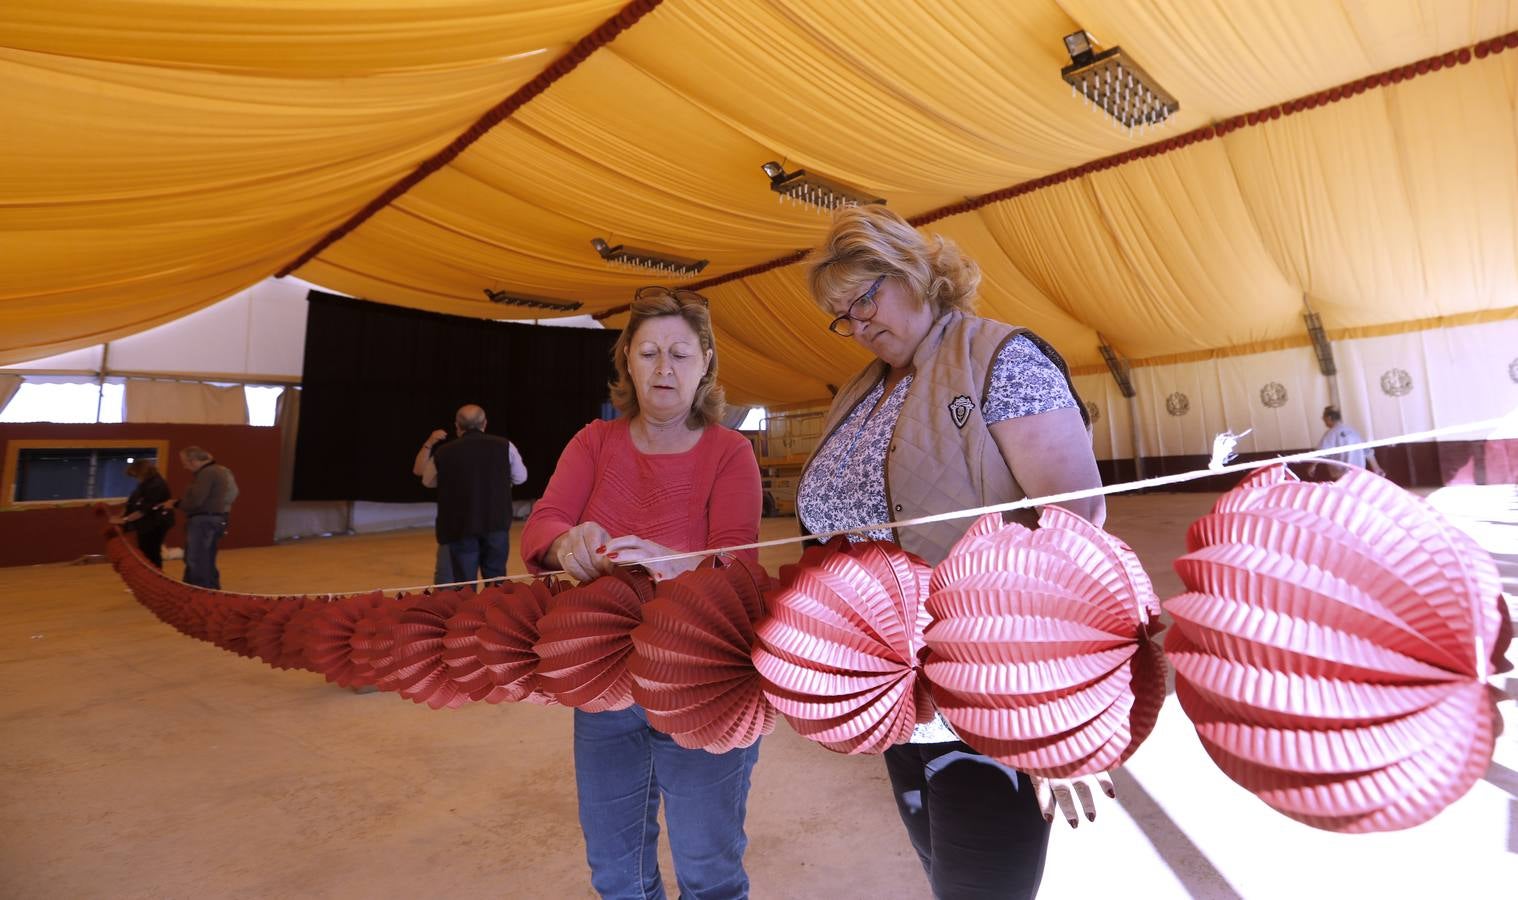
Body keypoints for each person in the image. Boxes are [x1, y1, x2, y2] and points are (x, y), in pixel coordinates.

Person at [796, 205, 1109, 899]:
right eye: (841, 314)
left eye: (865, 296)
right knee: (947, 875)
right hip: (901, 694)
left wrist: (1060, 708)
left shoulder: (1000, 356)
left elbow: (1076, 528)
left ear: (911, 271)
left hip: (994, 687)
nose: (857, 323)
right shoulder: (861, 391)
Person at [522, 287, 763, 900]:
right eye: (649, 352)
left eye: (681, 354)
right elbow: (544, 522)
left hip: (702, 684)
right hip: (606, 683)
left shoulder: (730, 451)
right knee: (615, 869)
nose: (664, 368)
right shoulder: (593, 443)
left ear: (706, 362)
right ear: (626, 359)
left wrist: (674, 563)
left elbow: (736, 560)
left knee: (709, 869)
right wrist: (564, 543)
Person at [419, 405, 524, 586]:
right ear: (484, 423)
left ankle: (468, 613)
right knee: (497, 580)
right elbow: (521, 478)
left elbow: (427, 481)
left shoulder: (444, 452)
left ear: (457, 426)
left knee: (464, 584)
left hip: (460, 526)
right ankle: (497, 613)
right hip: (495, 522)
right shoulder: (505, 446)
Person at [162, 446, 238, 589]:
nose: (184, 466)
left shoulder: (207, 473)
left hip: (204, 521)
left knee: (196, 559)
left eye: (184, 462)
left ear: (194, 461)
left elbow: (196, 501)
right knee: (206, 558)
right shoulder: (222, 470)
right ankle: (209, 591)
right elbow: (233, 494)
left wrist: (177, 503)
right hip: (216, 519)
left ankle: (200, 594)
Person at [109, 459, 174, 568]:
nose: (136, 478)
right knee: (144, 550)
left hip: (156, 523)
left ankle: (155, 577)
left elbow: (144, 510)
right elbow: (132, 502)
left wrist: (124, 520)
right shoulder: (144, 484)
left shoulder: (156, 485)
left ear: (142, 473)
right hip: (146, 523)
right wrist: (121, 515)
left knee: (151, 551)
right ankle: (149, 574)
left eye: (136, 475)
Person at [1309, 405, 1386, 479]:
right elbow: (1367, 452)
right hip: (1360, 475)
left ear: (1329, 418)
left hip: (1343, 477)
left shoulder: (1331, 433)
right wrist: (1376, 468)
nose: (1324, 421)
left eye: (1324, 418)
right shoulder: (1353, 431)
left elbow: (1322, 452)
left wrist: (1312, 466)